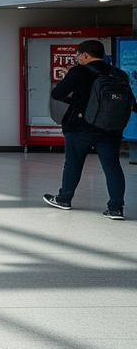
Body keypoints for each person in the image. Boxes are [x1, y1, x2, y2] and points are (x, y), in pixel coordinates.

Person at [44, 39, 127, 220]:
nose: (77, 58)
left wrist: (74, 99)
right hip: (110, 128)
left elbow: (57, 94)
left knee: (73, 163)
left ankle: (64, 199)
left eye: (78, 55)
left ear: (85, 55)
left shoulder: (78, 72)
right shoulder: (118, 74)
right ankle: (116, 208)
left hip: (81, 127)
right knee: (112, 166)